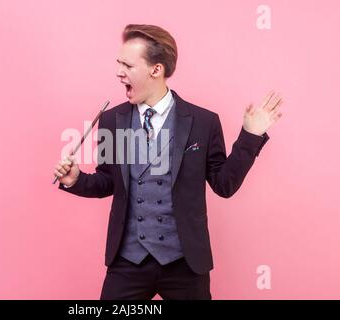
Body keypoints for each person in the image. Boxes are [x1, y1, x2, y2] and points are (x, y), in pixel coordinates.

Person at [53, 24, 283, 300]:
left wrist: (250, 136)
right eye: (118, 63)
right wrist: (76, 180)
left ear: (156, 70)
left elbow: (225, 184)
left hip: (186, 264)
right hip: (128, 263)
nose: (118, 72)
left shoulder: (203, 122)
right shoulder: (112, 120)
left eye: (127, 64)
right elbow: (107, 181)